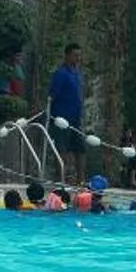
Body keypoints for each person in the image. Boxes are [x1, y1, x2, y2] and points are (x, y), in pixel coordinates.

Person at [47, 43, 86, 180]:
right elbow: (52, 95)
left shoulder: (78, 74)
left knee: (80, 148)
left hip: (76, 118)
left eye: (79, 55)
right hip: (62, 117)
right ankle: (60, 177)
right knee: (61, 148)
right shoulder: (61, 73)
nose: (78, 58)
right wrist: (49, 113)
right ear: (67, 55)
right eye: (75, 55)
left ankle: (81, 179)